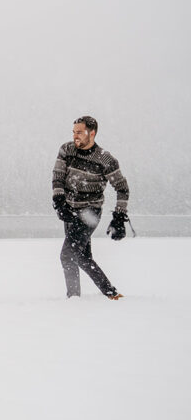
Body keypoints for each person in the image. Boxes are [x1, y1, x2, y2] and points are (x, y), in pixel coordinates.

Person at [51, 116, 129, 300]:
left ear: (91, 133)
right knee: (82, 257)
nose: (75, 136)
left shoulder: (105, 159)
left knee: (68, 255)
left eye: (79, 132)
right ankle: (111, 293)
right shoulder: (67, 150)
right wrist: (59, 201)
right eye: (73, 132)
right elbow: (58, 176)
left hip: (89, 213)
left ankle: (74, 299)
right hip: (70, 211)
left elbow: (122, 188)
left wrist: (119, 217)